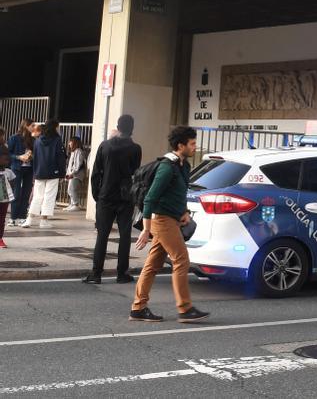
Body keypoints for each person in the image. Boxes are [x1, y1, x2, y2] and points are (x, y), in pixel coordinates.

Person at [130, 126, 209, 323]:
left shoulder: (184, 166)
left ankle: (138, 308)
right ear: (180, 145)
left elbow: (177, 193)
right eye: (192, 143)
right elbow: (150, 199)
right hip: (162, 221)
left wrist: (183, 212)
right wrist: (146, 230)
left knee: (153, 263)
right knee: (181, 259)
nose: (195, 146)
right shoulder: (167, 168)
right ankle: (185, 308)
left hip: (172, 219)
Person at [84, 115, 142, 285]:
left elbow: (95, 173)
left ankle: (96, 273)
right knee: (125, 235)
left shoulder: (105, 146)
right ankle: (122, 273)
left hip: (106, 195)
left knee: (102, 234)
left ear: (118, 127)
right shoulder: (135, 148)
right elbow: (135, 172)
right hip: (125, 197)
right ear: (132, 128)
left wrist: (97, 195)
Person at [22, 121, 66, 229]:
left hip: (39, 171)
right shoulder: (57, 140)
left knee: (37, 196)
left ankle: (29, 219)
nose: (58, 129)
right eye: (57, 127)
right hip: (53, 172)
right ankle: (43, 221)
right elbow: (60, 157)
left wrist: (35, 172)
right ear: (54, 127)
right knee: (49, 196)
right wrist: (62, 173)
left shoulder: (37, 140)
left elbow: (35, 157)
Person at [6, 120, 34, 226]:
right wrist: (19, 157)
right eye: (32, 125)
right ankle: (13, 218)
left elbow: (36, 153)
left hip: (29, 169)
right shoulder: (14, 138)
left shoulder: (33, 139)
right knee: (16, 193)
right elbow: (8, 154)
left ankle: (22, 217)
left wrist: (31, 155)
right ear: (26, 126)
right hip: (16, 168)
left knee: (26, 193)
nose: (33, 127)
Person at [65, 136, 87, 212]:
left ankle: (76, 204)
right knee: (69, 189)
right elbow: (71, 165)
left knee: (72, 189)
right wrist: (68, 173)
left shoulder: (78, 151)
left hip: (77, 174)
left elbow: (77, 164)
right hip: (73, 174)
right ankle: (72, 204)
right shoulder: (73, 152)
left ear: (75, 142)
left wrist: (72, 173)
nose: (69, 143)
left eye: (70, 141)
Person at [0, 143, 14, 248]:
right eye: (4, 158)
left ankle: (0, 238)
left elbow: (12, 183)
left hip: (4, 200)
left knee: (2, 219)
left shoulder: (8, 172)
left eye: (7, 159)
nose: (7, 161)